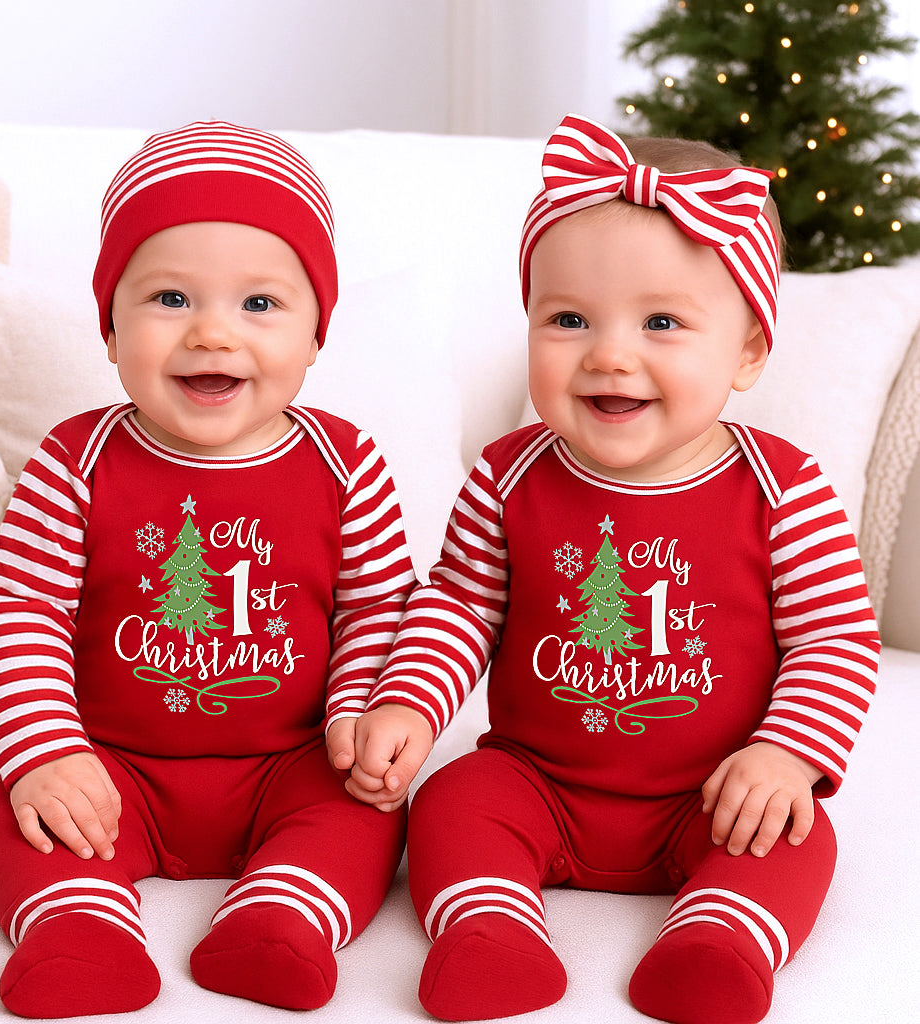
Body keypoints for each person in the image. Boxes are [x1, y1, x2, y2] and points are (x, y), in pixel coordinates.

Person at [348, 114, 880, 1024]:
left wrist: (785, 754)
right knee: (451, 802)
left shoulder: (780, 487)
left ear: (747, 351)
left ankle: (718, 942)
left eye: (662, 322)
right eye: (568, 319)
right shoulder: (510, 473)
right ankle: (492, 931)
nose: (608, 353)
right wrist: (405, 701)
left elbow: (835, 639)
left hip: (712, 789)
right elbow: (460, 605)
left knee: (797, 836)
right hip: (539, 780)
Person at [0, 121, 416, 1018]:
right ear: (108, 325)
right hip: (115, 769)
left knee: (366, 814)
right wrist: (47, 752)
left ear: (316, 334)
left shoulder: (346, 463)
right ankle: (80, 930)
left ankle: (281, 919)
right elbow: (21, 609)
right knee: (8, 808)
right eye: (170, 298)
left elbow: (379, 611)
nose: (214, 332)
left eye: (260, 305)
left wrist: (357, 723)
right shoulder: (77, 460)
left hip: (288, 766)